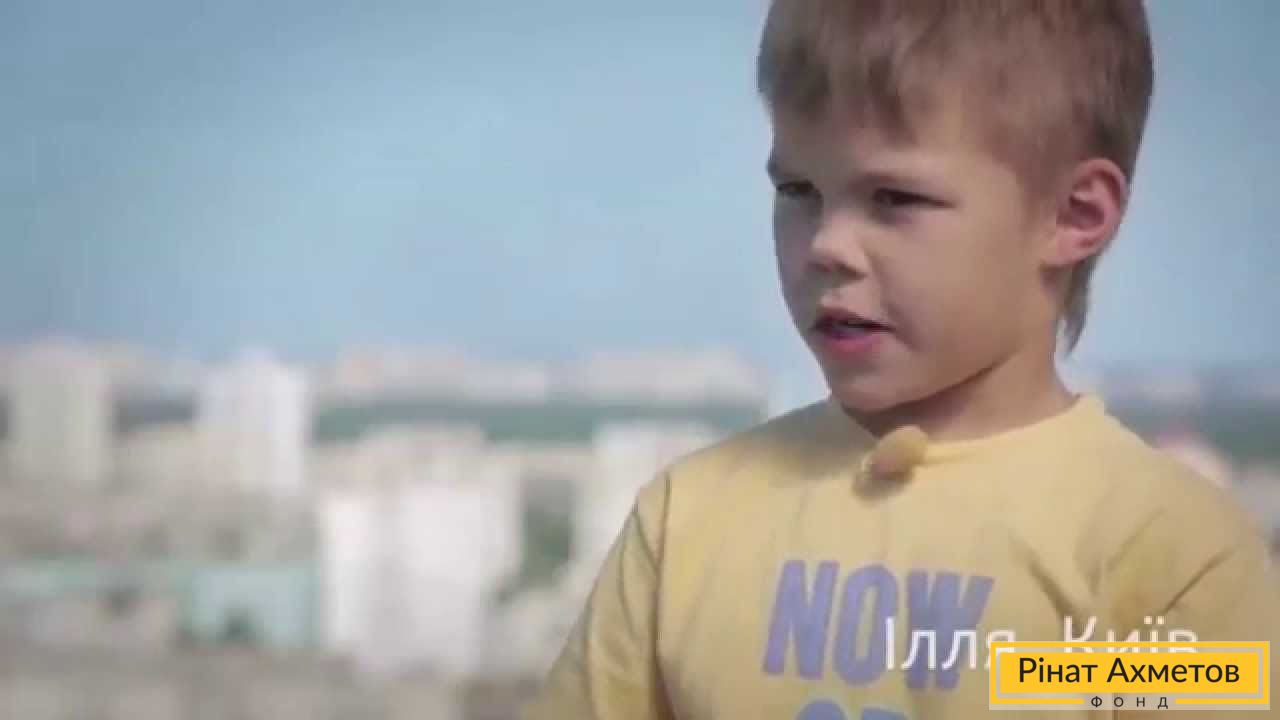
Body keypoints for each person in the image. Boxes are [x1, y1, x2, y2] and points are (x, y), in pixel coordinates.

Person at [526, 2, 1279, 717]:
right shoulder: (685, 523)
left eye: (894, 198)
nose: (826, 244)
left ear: (1073, 214)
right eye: (798, 190)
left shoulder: (1165, 557)